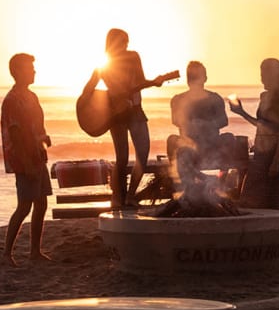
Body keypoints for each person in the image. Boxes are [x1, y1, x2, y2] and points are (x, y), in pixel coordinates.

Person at [95, 28, 172, 209]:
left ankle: (130, 195)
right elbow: (109, 91)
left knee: (142, 156)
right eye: (122, 41)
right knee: (121, 158)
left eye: (126, 41)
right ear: (112, 43)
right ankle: (117, 198)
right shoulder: (105, 65)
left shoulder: (133, 57)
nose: (125, 45)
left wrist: (155, 82)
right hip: (116, 114)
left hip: (137, 111)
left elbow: (140, 81)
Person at [0, 52, 53, 266]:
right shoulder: (12, 100)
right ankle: (6, 254)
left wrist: (44, 139)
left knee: (41, 203)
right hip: (24, 159)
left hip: (38, 156)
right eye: (30, 68)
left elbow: (37, 126)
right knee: (24, 206)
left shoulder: (31, 97)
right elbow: (15, 134)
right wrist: (26, 161)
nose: (34, 71)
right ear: (18, 71)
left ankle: (34, 252)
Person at [230, 57, 279, 209]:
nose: (261, 78)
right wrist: (241, 112)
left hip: (271, 156)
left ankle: (277, 230)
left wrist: (275, 161)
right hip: (261, 153)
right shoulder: (264, 96)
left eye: (263, 73)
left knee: (268, 202)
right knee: (255, 200)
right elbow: (262, 126)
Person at [170, 60, 230, 160]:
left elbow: (224, 121)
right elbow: (175, 120)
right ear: (187, 80)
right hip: (187, 144)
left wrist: (206, 124)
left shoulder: (215, 98)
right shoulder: (178, 99)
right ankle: (174, 173)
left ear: (205, 78)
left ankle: (223, 174)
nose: (193, 80)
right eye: (191, 77)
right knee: (172, 140)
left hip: (211, 144)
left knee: (229, 138)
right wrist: (190, 124)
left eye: (196, 77)